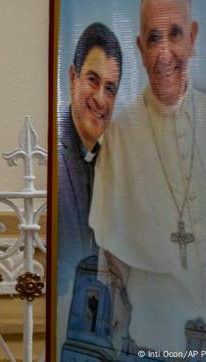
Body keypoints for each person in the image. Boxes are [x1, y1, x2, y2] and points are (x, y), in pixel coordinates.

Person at [89, 0, 206, 351]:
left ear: (193, 37)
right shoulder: (120, 137)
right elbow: (112, 267)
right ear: (140, 48)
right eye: (154, 38)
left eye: (175, 35)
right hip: (154, 338)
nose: (164, 53)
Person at [56, 23, 123, 347]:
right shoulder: (50, 156)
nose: (100, 99)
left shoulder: (112, 162)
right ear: (72, 78)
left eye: (110, 88)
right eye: (93, 81)